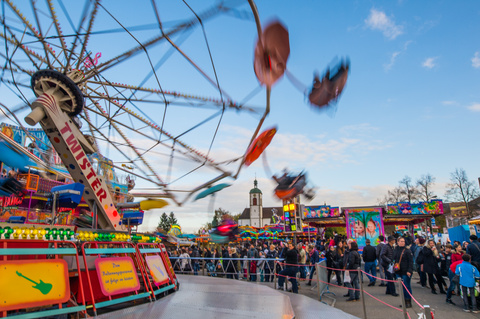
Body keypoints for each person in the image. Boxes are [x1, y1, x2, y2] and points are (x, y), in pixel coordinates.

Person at [393, 237, 414, 308]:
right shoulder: (396, 250)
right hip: (398, 271)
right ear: (398, 242)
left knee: (407, 286)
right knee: (401, 287)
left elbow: (411, 261)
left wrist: (409, 270)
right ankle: (404, 301)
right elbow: (394, 258)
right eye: (401, 241)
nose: (402, 242)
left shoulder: (407, 251)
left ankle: (408, 301)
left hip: (406, 271)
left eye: (403, 241)